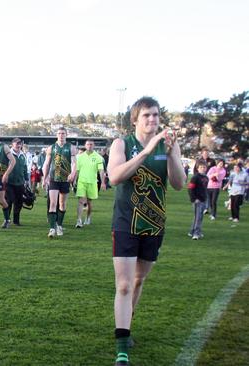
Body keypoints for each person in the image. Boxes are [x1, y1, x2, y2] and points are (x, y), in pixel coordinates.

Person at [108, 96, 186, 366]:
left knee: (139, 282)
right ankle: (121, 349)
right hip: (125, 222)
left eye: (155, 115)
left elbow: (178, 183)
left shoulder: (167, 145)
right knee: (125, 284)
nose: (152, 120)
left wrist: (173, 153)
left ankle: (126, 325)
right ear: (135, 120)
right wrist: (146, 151)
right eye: (146, 116)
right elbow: (115, 176)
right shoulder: (122, 144)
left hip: (153, 224)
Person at [42, 127, 77, 237]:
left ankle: (59, 225)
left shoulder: (71, 147)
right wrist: (45, 177)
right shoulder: (51, 148)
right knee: (53, 203)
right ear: (57, 135)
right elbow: (47, 164)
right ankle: (52, 229)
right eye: (59, 133)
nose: (61, 135)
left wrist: (72, 174)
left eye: (63, 133)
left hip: (65, 179)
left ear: (66, 135)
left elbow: (74, 163)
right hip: (54, 178)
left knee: (62, 203)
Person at [74, 139, 106, 228]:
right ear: (85, 146)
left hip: (92, 182)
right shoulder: (80, 157)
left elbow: (101, 170)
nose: (89, 146)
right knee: (81, 201)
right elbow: (77, 170)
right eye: (88, 144)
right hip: (82, 182)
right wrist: (74, 180)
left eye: (91, 144)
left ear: (94, 146)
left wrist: (103, 182)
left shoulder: (98, 157)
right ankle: (79, 220)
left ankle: (88, 217)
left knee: (89, 202)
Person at [5, 138, 30, 226]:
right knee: (9, 201)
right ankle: (7, 220)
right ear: (12, 144)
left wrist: (27, 180)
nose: (18, 145)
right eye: (16, 144)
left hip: (20, 183)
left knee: (19, 202)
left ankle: (16, 220)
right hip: (9, 182)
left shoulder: (23, 155)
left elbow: (25, 168)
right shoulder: (8, 154)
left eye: (20, 144)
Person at [188, 161, 209, 240]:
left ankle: (191, 231)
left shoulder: (206, 177)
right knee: (198, 217)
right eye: (201, 167)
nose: (203, 169)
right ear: (197, 168)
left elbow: (204, 189)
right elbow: (190, 188)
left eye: (204, 167)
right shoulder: (195, 177)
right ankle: (196, 233)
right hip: (197, 200)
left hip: (203, 199)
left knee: (198, 216)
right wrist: (194, 199)